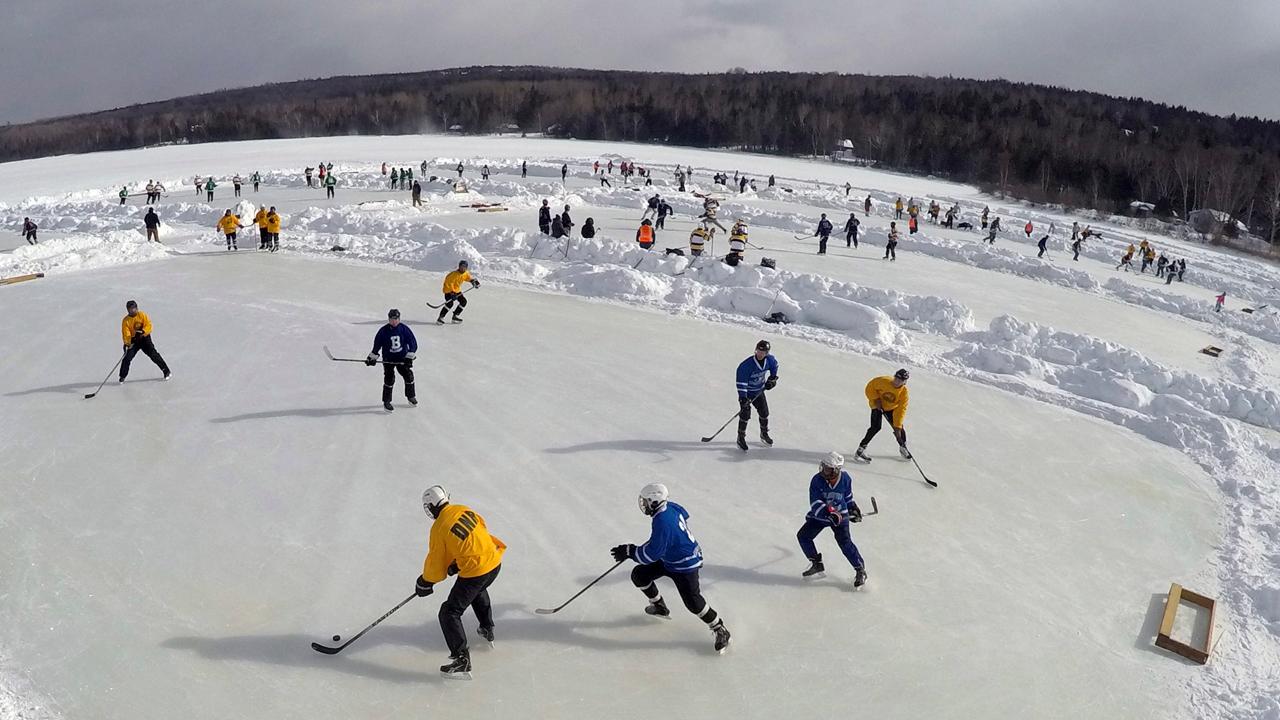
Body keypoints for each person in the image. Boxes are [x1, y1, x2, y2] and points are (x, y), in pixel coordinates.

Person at [610, 483, 731, 654]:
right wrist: (665, 540)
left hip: (685, 564)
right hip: (670, 559)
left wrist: (630, 551)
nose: (643, 505)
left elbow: (650, 555)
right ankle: (659, 605)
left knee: (693, 602)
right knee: (639, 575)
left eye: (645, 502)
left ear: (654, 501)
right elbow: (683, 514)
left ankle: (720, 628)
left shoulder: (662, 522)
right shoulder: (669, 507)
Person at [415, 485, 506, 678]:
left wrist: (425, 582)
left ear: (431, 507)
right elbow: (477, 534)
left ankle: (461, 660)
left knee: (449, 612)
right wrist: (458, 562)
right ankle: (487, 627)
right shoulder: (463, 508)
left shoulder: (439, 527)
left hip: (477, 571)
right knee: (478, 590)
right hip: (494, 562)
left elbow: (436, 562)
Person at [797, 452, 868, 588]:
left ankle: (860, 570)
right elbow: (815, 502)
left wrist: (853, 508)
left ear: (836, 470)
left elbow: (847, 497)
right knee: (803, 536)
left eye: (828, 468)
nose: (824, 470)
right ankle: (816, 563)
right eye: (824, 467)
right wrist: (828, 513)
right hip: (821, 517)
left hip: (840, 516)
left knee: (845, 543)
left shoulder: (845, 479)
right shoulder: (817, 480)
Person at [853, 368, 910, 463]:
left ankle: (903, 447)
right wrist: (876, 399)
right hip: (877, 405)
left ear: (904, 382)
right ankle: (861, 449)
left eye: (900, 380)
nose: (897, 381)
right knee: (876, 427)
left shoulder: (904, 394)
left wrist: (897, 426)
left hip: (891, 408)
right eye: (896, 378)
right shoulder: (883, 381)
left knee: (900, 430)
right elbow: (870, 387)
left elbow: (901, 410)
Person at [366, 308, 417, 410]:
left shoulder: (404, 329)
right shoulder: (383, 331)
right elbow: (377, 345)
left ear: (399, 319)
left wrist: (409, 357)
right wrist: (372, 357)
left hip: (402, 358)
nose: (394, 321)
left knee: (408, 376)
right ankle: (387, 401)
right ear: (389, 319)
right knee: (389, 379)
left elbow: (413, 343)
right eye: (392, 319)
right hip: (388, 359)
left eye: (396, 319)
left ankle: (411, 396)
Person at [734, 340, 779, 451]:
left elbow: (775, 366)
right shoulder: (746, 365)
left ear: (767, 353)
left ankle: (764, 433)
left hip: (759, 391)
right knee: (745, 414)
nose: (760, 353)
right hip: (747, 393)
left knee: (764, 413)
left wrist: (772, 379)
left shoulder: (769, 360)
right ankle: (741, 437)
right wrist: (743, 397)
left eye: (763, 352)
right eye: (758, 351)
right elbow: (741, 381)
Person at [119, 300, 171, 382]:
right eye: (130, 309)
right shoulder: (126, 320)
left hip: (144, 338)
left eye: (134, 308)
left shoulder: (142, 315)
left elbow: (149, 325)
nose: (132, 311)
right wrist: (127, 343)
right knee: (127, 358)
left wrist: (143, 331)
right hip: (134, 341)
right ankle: (122, 376)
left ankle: (166, 371)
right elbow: (126, 333)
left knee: (153, 355)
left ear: (137, 308)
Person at [437, 260, 480, 325]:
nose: (463, 268)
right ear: (459, 266)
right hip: (448, 291)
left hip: (457, 291)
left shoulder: (465, 273)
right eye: (461, 266)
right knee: (450, 304)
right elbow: (448, 284)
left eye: (464, 267)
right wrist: (452, 293)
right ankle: (440, 318)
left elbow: (468, 278)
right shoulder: (453, 275)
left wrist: (474, 282)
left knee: (463, 302)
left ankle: (455, 316)